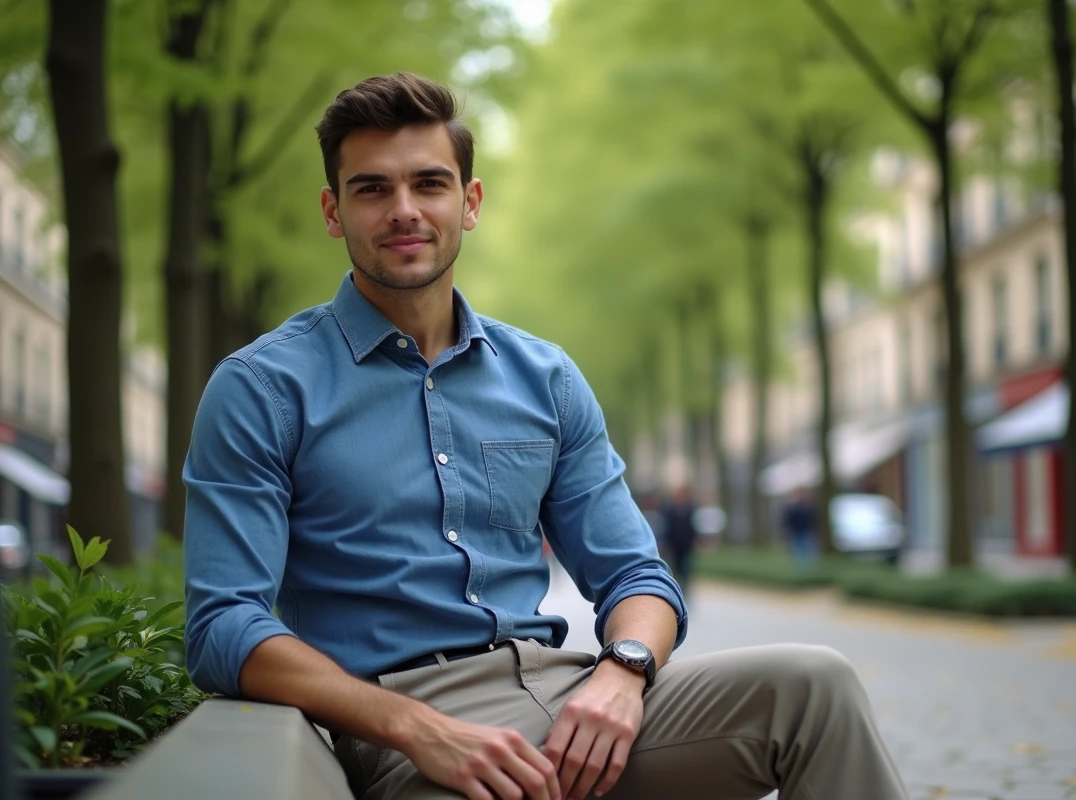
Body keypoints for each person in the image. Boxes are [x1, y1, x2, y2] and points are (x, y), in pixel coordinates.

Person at [183, 72, 909, 800]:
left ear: (470, 203)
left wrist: (624, 671)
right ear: (333, 212)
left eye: (430, 184)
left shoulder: (546, 379)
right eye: (372, 189)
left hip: (568, 695)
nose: (404, 210)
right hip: (406, 731)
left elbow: (637, 576)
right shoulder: (263, 388)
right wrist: (412, 727)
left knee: (814, 686)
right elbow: (223, 625)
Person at [659, 484, 698, 594]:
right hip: (674, 544)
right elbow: (667, 527)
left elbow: (693, 526)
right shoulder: (670, 509)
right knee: (674, 567)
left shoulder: (691, 508)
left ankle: (684, 588)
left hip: (686, 544)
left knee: (685, 567)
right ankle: (675, 587)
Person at [781, 487, 818, 564]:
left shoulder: (808, 507)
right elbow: (788, 520)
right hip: (797, 531)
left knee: (808, 549)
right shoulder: (792, 508)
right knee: (798, 549)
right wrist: (788, 530)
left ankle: (808, 565)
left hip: (807, 530)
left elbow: (814, 519)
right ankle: (801, 565)